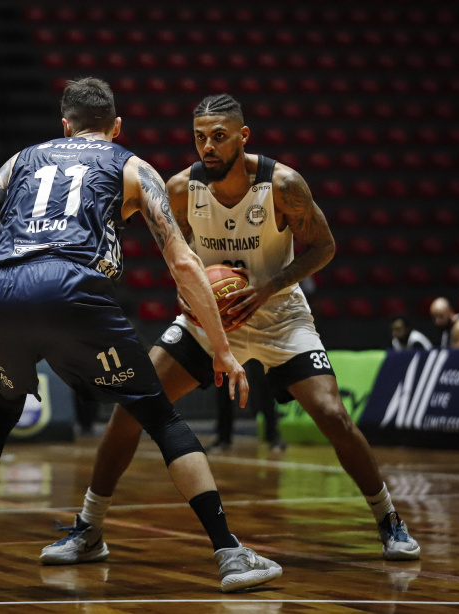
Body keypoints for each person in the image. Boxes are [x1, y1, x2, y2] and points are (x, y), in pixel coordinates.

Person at [0, 78, 282, 593]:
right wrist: (223, 351)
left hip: (0, 291)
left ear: (65, 125)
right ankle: (229, 553)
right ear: (116, 128)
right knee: (159, 416)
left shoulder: (23, 159)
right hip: (71, 288)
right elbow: (183, 261)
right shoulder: (132, 165)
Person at [46, 93, 421, 566]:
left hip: (279, 315)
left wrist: (268, 287)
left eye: (219, 137)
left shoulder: (282, 184)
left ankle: (389, 520)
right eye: (200, 136)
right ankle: (88, 529)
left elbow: (324, 247)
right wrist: (185, 294)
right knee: (131, 410)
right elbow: (176, 254)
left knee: (332, 414)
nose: (208, 146)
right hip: (209, 321)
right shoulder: (180, 188)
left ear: (243, 137)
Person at [208, 360, 285, 453]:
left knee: (263, 381)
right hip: (233, 346)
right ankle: (223, 438)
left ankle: (273, 436)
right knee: (224, 383)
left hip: (256, 346)